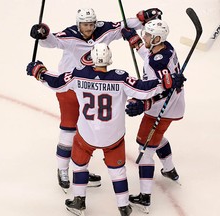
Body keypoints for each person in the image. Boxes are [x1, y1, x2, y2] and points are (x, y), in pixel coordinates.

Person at [26, 43, 186, 216]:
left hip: (86, 136)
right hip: (113, 137)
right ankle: (123, 206)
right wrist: (166, 82)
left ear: (91, 59)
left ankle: (78, 202)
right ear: (109, 59)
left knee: (79, 166)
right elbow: (144, 89)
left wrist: (39, 71)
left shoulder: (78, 76)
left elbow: (56, 82)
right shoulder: (121, 78)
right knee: (118, 172)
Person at [30, 7, 163, 192]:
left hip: (93, 88)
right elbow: (52, 41)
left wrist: (142, 18)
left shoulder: (102, 30)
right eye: (85, 24)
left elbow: (123, 25)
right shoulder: (70, 35)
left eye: (91, 24)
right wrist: (43, 32)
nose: (89, 28)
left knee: (90, 131)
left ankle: (80, 169)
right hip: (70, 87)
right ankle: (62, 170)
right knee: (69, 128)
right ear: (78, 24)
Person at [121, 19, 186, 213]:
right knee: (156, 138)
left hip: (162, 109)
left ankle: (145, 197)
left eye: (147, 36)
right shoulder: (165, 48)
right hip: (175, 105)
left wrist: (143, 103)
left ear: (157, 38)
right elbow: (150, 57)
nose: (144, 37)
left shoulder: (160, 64)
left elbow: (163, 91)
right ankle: (169, 170)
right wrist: (135, 41)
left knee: (145, 148)